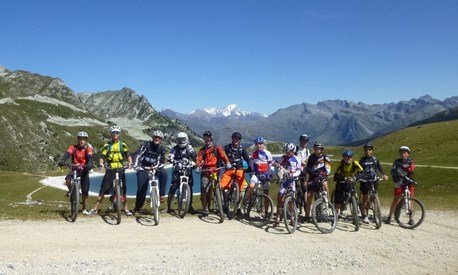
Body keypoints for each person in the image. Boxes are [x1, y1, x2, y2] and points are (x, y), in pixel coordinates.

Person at [88, 126, 133, 215]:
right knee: (103, 189)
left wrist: (130, 163)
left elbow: (128, 155)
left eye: (117, 133)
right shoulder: (107, 145)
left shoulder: (123, 144)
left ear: (119, 134)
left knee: (123, 189)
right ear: (110, 134)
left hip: (120, 168)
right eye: (113, 133)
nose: (115, 134)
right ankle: (95, 208)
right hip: (110, 168)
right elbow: (102, 157)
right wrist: (101, 164)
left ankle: (126, 209)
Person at [131, 130, 168, 215]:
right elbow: (137, 154)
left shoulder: (161, 149)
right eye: (155, 137)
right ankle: (137, 208)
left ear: (161, 139)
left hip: (155, 167)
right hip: (144, 168)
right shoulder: (145, 145)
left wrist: (155, 167)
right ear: (153, 137)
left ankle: (161, 195)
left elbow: (161, 160)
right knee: (141, 189)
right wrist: (135, 165)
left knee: (164, 174)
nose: (157, 139)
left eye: (159, 138)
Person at [58, 131, 94, 215]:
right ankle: (71, 191)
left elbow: (90, 158)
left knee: (85, 190)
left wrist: (89, 165)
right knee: (67, 179)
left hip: (84, 169)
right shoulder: (73, 147)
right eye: (80, 139)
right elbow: (67, 154)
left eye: (83, 139)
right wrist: (62, 161)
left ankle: (84, 208)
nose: (82, 141)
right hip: (75, 168)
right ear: (78, 139)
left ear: (86, 140)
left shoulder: (88, 148)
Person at [196, 130, 230, 215]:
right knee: (204, 190)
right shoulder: (202, 150)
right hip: (206, 171)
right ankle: (205, 208)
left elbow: (223, 155)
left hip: (216, 170)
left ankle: (221, 206)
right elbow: (199, 159)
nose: (207, 140)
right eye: (205, 138)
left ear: (211, 138)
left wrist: (227, 163)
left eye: (208, 138)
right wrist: (198, 166)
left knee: (218, 188)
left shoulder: (216, 148)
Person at [220, 132, 253, 214]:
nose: (236, 140)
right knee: (222, 186)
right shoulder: (227, 147)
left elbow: (248, 159)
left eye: (238, 139)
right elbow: (221, 155)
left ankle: (238, 207)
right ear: (232, 139)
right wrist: (221, 163)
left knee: (241, 190)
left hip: (239, 170)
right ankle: (224, 203)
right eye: (235, 138)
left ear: (240, 140)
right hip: (229, 170)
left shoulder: (242, 149)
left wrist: (250, 167)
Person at [167, 132, 197, 214]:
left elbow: (196, 158)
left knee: (190, 188)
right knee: (173, 187)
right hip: (177, 170)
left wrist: (194, 163)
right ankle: (168, 206)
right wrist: (174, 161)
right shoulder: (174, 148)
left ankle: (189, 206)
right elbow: (170, 157)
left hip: (188, 170)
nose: (181, 141)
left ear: (186, 139)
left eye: (183, 139)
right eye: (179, 140)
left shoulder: (190, 148)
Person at [384, 146, 416, 224]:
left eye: (405, 153)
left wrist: (405, 168)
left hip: (409, 182)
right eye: (401, 153)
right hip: (399, 182)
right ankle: (389, 217)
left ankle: (411, 219)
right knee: (396, 200)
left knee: (410, 200)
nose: (403, 154)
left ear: (408, 154)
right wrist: (395, 177)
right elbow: (392, 170)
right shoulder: (396, 161)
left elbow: (412, 169)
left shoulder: (411, 161)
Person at [358, 143, 388, 223]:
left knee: (374, 197)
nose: (368, 151)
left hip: (374, 180)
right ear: (364, 151)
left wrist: (384, 174)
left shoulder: (375, 159)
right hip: (365, 181)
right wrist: (359, 177)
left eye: (369, 150)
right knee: (364, 198)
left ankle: (376, 213)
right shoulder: (362, 160)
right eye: (366, 150)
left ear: (372, 151)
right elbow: (359, 170)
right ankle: (365, 215)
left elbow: (379, 167)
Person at [273, 142, 302, 226]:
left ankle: (292, 217)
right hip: (284, 181)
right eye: (286, 151)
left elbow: (299, 170)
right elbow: (273, 162)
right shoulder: (283, 157)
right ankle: (278, 216)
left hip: (292, 181)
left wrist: (293, 174)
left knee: (291, 199)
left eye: (289, 152)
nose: (287, 153)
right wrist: (277, 165)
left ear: (293, 151)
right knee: (280, 196)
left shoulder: (297, 159)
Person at [244, 136, 273, 211]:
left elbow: (270, 165)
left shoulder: (268, 153)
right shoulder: (254, 154)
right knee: (251, 185)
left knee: (266, 193)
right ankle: (246, 199)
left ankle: (266, 211)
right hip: (256, 174)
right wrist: (252, 171)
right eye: (257, 144)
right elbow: (252, 164)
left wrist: (269, 175)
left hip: (265, 175)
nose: (259, 145)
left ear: (263, 144)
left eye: (260, 144)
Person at [304, 141, 331, 222]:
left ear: (321, 149)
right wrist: (314, 173)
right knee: (309, 195)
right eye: (315, 148)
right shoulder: (311, 157)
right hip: (313, 177)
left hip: (322, 177)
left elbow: (328, 168)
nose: (316, 150)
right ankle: (307, 215)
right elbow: (308, 168)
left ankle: (327, 205)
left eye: (318, 148)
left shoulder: (326, 157)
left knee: (325, 186)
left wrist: (324, 174)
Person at [333, 149, 363, 218]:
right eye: (346, 157)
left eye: (349, 157)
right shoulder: (341, 164)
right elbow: (336, 175)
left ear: (352, 157)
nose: (348, 159)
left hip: (351, 181)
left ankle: (355, 210)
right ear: (343, 158)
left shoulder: (355, 163)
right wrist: (344, 178)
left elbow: (362, 172)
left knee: (353, 193)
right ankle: (336, 215)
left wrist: (355, 178)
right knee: (338, 197)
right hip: (342, 181)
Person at [295, 134, 311, 215]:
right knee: (296, 188)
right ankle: (295, 205)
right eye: (303, 140)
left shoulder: (307, 151)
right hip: (296, 171)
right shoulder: (296, 149)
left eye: (306, 140)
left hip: (304, 171)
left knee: (305, 189)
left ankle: (306, 208)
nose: (304, 142)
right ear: (300, 140)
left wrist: (306, 163)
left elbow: (309, 160)